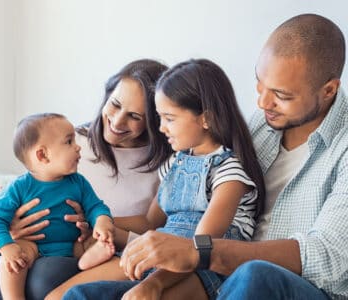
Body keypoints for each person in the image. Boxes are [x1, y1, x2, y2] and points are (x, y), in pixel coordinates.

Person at [64, 14, 348, 299]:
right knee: (83, 296)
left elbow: (328, 256)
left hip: (291, 286)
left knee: (255, 274)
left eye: (281, 95)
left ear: (328, 90)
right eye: (260, 85)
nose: (262, 103)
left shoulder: (342, 147)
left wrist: (200, 251)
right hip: (220, 273)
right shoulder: (261, 126)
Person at [46, 58, 266, 299]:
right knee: (66, 296)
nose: (161, 128)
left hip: (202, 270)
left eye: (169, 119)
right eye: (159, 118)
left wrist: (153, 284)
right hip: (158, 255)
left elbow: (201, 248)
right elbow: (151, 221)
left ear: (206, 119)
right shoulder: (174, 164)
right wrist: (98, 219)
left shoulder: (229, 174)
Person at [0, 59, 172, 300]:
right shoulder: (70, 142)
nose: (117, 122)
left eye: (134, 116)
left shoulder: (167, 163)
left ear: (155, 120)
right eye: (114, 104)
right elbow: (15, 200)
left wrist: (98, 223)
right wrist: (12, 229)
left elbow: (153, 224)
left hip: (94, 248)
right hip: (34, 243)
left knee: (44, 276)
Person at [0, 113, 115, 300]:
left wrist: (102, 221)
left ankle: (88, 259)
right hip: (34, 246)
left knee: (97, 242)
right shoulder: (19, 187)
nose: (78, 147)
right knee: (13, 261)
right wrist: (6, 247)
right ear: (42, 154)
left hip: (74, 244)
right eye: (69, 142)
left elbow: (95, 206)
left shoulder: (78, 182)